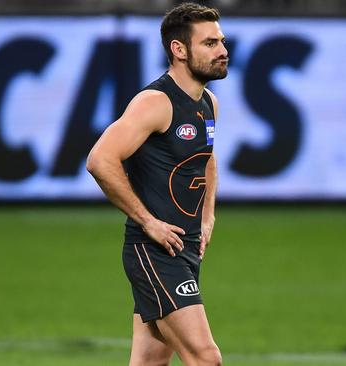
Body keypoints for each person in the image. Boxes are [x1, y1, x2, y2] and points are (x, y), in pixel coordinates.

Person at [86, 3, 228, 365]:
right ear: (179, 50)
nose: (223, 51)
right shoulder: (155, 103)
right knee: (206, 358)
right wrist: (148, 221)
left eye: (221, 41)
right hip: (154, 252)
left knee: (149, 362)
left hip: (184, 247)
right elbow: (100, 160)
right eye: (210, 43)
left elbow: (206, 159)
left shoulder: (208, 102)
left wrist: (208, 217)